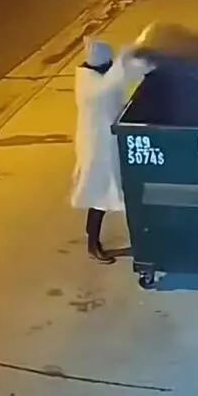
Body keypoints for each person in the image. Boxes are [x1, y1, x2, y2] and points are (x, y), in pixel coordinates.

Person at [71, 37, 151, 263]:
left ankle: (138, 242)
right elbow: (115, 80)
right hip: (97, 149)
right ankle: (92, 244)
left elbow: (122, 76)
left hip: (108, 143)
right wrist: (128, 56)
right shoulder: (91, 85)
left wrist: (139, 60)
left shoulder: (98, 78)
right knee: (100, 195)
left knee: (119, 191)